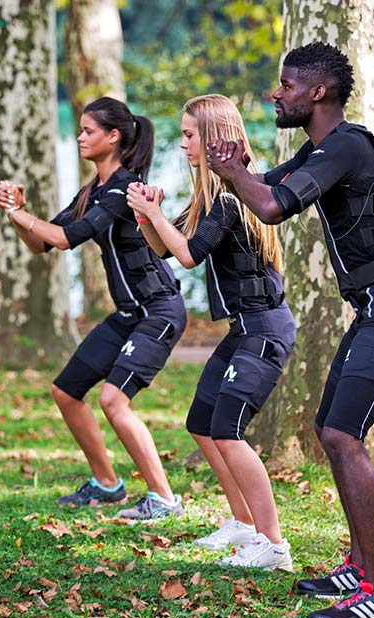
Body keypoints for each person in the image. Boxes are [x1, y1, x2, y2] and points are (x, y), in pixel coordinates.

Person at [206, 43, 374, 618]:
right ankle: (360, 568)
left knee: (341, 435)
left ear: (317, 93)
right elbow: (260, 190)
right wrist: (234, 168)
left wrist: (235, 172)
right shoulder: (321, 150)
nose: (273, 95)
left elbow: (274, 206)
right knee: (331, 430)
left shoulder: (349, 146)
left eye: (283, 85)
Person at [126, 94, 296, 571]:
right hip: (242, 330)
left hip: (264, 328)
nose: (182, 144)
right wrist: (147, 216)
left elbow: (189, 254)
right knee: (202, 423)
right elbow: (166, 245)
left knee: (227, 430)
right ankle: (243, 525)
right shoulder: (211, 196)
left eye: (188, 135)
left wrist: (156, 218)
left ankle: (274, 545)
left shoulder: (231, 196)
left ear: (214, 137)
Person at [0, 97, 187, 520]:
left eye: (88, 131)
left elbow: (69, 238)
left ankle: (163, 498)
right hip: (127, 314)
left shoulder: (124, 188)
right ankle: (107, 484)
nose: (80, 137)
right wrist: (17, 214)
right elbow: (43, 243)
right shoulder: (93, 191)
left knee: (114, 400)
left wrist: (22, 214)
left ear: (113, 136)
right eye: (80, 131)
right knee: (65, 392)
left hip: (158, 310)